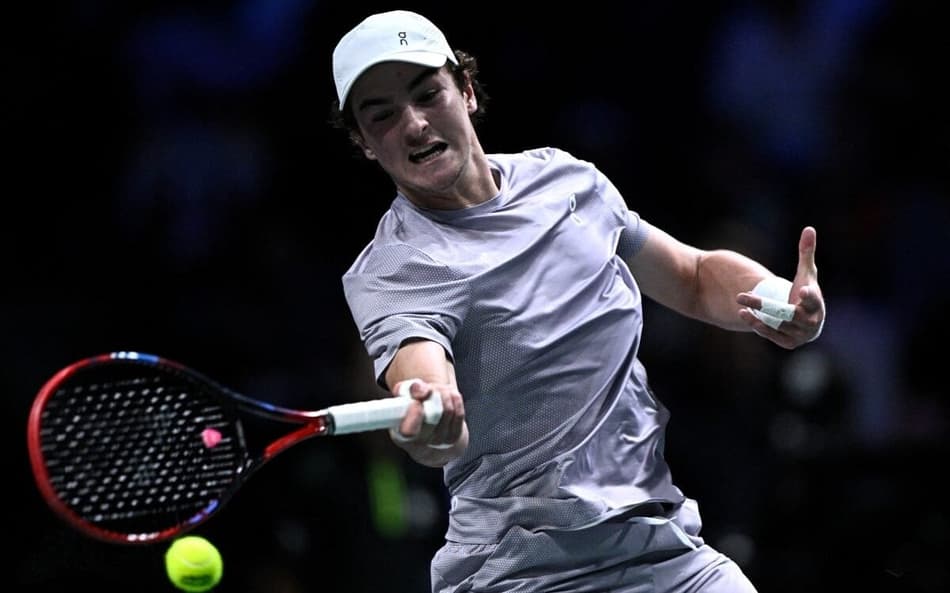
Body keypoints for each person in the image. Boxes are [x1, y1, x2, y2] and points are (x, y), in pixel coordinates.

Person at [329, 10, 826, 593]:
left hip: (664, 551)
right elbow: (426, 386)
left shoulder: (566, 183)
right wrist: (431, 418)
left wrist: (776, 299)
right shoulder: (393, 268)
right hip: (521, 575)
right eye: (382, 115)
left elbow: (690, 275)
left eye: (427, 93)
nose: (413, 124)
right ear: (363, 142)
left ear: (465, 90)